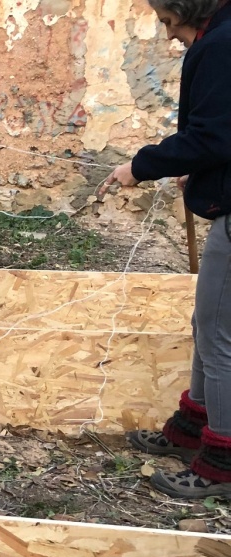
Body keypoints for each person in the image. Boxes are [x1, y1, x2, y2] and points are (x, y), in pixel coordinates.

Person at [101, 0, 231, 499]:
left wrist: (140, 165)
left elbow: (212, 134)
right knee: (207, 324)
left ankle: (221, 462)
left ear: (185, 9)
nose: (169, 34)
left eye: (167, 21)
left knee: (218, 336)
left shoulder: (221, 45)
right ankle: (191, 428)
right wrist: (202, 170)